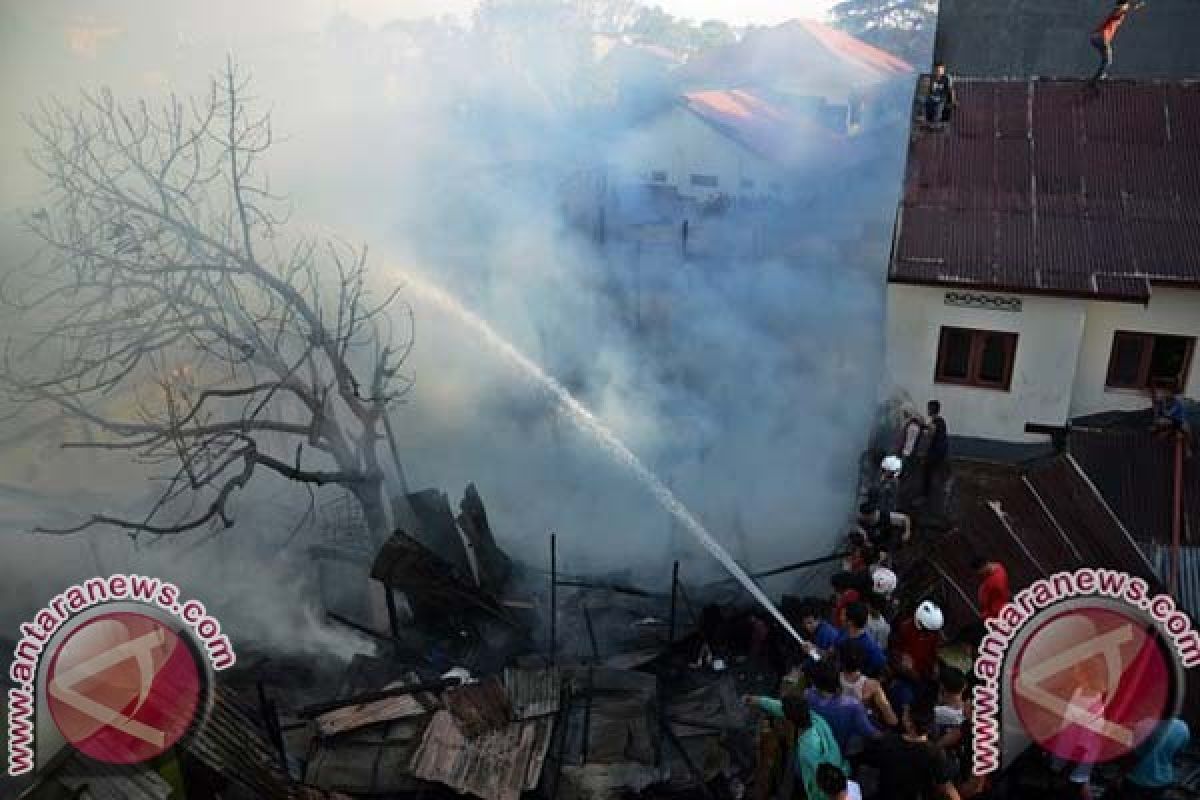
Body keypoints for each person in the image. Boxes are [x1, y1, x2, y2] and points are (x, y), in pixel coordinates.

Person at [745, 692, 848, 800]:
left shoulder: (807, 751)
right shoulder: (815, 718)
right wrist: (759, 701)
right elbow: (784, 709)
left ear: (790, 721)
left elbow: (821, 780)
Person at [863, 701, 961, 800]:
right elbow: (947, 787)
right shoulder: (934, 753)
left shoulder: (887, 742)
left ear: (909, 723)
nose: (902, 716)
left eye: (905, 715)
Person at [805, 659, 881, 756]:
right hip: (843, 748)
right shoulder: (852, 705)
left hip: (822, 745)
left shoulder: (808, 696)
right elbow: (869, 732)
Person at [889, 601, 944, 714]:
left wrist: (935, 666)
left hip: (924, 675)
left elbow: (935, 650)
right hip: (906, 677)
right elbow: (893, 653)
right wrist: (904, 667)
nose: (929, 634)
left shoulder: (933, 633)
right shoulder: (903, 629)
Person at [1123, 717, 1190, 799]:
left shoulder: (1145, 724)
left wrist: (1119, 776)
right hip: (1163, 781)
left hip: (1136, 781)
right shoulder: (1183, 727)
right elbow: (1177, 756)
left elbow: (1134, 756)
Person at [839, 639, 898, 728]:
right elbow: (892, 720)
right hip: (862, 727)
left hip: (841, 722)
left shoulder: (833, 675)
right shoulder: (872, 685)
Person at [1090, 1, 1145, 84]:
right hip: (1101, 37)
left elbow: (1126, 7)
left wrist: (1134, 5)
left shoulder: (1120, 9)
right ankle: (1096, 80)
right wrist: (1132, 6)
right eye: (1126, 5)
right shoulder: (1119, 9)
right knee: (1108, 59)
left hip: (1097, 37)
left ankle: (1100, 76)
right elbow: (1120, 11)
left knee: (1106, 59)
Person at [837, 602, 887, 677]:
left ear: (850, 622)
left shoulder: (870, 647)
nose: (840, 618)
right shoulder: (843, 632)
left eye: (843, 615)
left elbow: (881, 664)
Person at [971, 556, 1010, 621]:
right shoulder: (999, 568)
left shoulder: (991, 582)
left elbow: (984, 602)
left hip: (996, 614)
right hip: (999, 611)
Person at [923, 401, 948, 499]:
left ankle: (926, 495)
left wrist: (923, 428)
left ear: (931, 410)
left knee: (927, 471)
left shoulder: (935, 422)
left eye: (928, 408)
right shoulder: (941, 421)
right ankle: (938, 490)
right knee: (936, 470)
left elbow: (930, 434)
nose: (927, 410)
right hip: (942, 450)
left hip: (935, 451)